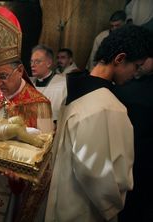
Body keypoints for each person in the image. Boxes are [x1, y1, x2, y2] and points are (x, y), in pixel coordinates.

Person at [45, 25, 151, 222]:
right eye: (136, 66)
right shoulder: (107, 107)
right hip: (86, 210)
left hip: (61, 200)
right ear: (119, 59)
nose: (136, 73)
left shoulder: (72, 91)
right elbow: (98, 176)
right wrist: (114, 206)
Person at [0, 5, 53, 221]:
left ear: (19, 70)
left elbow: (45, 156)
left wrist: (21, 175)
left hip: (14, 188)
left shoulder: (40, 104)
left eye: (3, 76)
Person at [114, 52, 153, 222]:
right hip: (123, 156)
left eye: (145, 59)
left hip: (145, 159)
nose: (141, 63)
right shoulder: (122, 85)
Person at [30, 44, 67, 122]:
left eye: (37, 61)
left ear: (49, 63)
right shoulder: (28, 84)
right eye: (32, 61)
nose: (32, 65)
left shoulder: (62, 84)